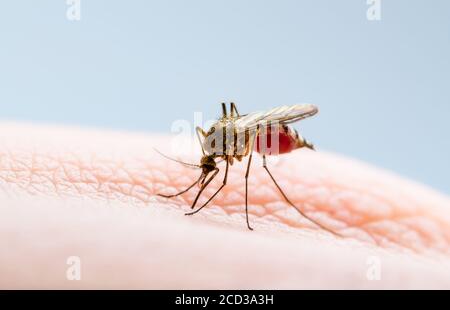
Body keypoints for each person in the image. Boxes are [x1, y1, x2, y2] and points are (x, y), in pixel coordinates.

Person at [0, 123, 450, 289]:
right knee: (240, 159)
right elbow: (215, 158)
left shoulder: (228, 147)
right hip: (245, 135)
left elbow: (236, 158)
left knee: (255, 169)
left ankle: (253, 209)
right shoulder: (215, 148)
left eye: (207, 166)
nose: (208, 167)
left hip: (262, 135)